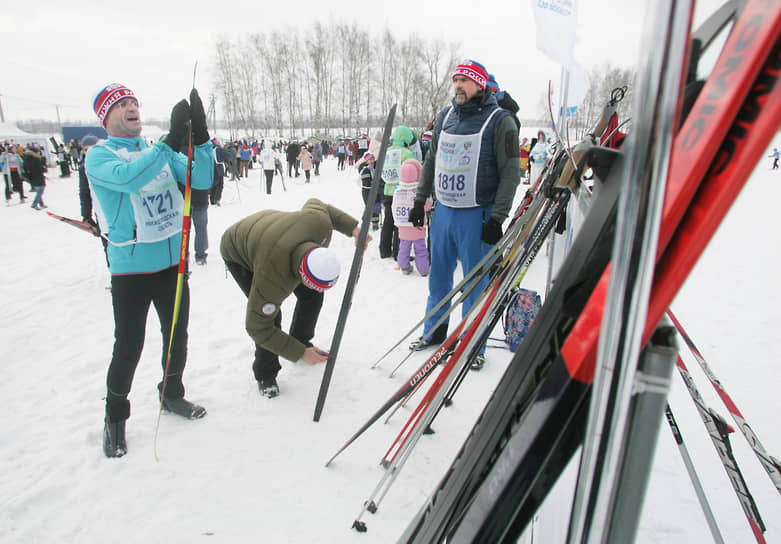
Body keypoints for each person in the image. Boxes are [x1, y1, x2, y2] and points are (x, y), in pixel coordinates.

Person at [85, 83, 215, 458]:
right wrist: (169, 142)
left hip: (172, 264)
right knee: (129, 346)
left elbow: (200, 178)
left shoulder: (150, 148)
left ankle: (171, 394)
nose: (132, 108)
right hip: (132, 271)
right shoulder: (100, 156)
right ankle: (115, 420)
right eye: (122, 104)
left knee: (177, 337)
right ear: (107, 116)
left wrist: (200, 137)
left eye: (134, 102)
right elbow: (131, 179)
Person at [408, 59, 521, 371]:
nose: (458, 85)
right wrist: (420, 200)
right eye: (456, 80)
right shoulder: (445, 116)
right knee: (439, 277)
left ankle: (472, 343)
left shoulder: (501, 121)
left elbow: (511, 172)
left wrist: (497, 217)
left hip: (477, 214)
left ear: (480, 84)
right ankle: (434, 332)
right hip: (444, 211)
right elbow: (431, 160)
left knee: (474, 282)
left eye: (466, 81)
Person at [220, 198, 367, 398]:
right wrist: (298, 354)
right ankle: (266, 374)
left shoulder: (319, 226)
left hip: (272, 228)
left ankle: (301, 340)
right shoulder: (272, 278)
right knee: (271, 318)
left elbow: (320, 205)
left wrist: (354, 229)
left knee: (313, 296)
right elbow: (257, 327)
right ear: (301, 275)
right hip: (238, 246)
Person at [380, 125, 417, 259]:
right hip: (402, 192)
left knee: (388, 221)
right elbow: (414, 172)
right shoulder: (407, 153)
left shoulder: (386, 151)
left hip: (387, 190)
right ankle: (398, 252)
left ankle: (384, 250)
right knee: (400, 223)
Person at [392, 158, 430, 276]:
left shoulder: (397, 191)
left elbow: (393, 206)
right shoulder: (418, 192)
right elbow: (427, 206)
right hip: (417, 225)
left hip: (403, 224)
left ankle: (404, 266)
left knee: (404, 247)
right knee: (420, 249)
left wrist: (397, 221)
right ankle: (423, 270)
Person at [359, 151, 383, 231]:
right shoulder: (366, 170)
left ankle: (374, 221)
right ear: (366, 161)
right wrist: (374, 182)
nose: (371, 161)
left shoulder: (376, 167)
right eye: (369, 159)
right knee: (370, 207)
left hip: (376, 191)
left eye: (372, 159)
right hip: (367, 192)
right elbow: (366, 183)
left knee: (376, 206)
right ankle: (372, 222)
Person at [23, 144, 47, 209]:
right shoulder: (36, 159)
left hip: (32, 176)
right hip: (38, 176)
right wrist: (43, 168)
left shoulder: (27, 158)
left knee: (39, 190)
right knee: (40, 190)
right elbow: (39, 168)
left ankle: (41, 204)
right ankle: (34, 204)